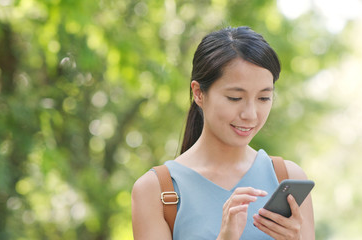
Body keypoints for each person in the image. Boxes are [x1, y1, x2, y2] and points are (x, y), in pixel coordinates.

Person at [131, 26, 314, 240]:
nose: (251, 115)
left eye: (263, 98)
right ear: (198, 93)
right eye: (235, 98)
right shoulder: (156, 191)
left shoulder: (287, 177)